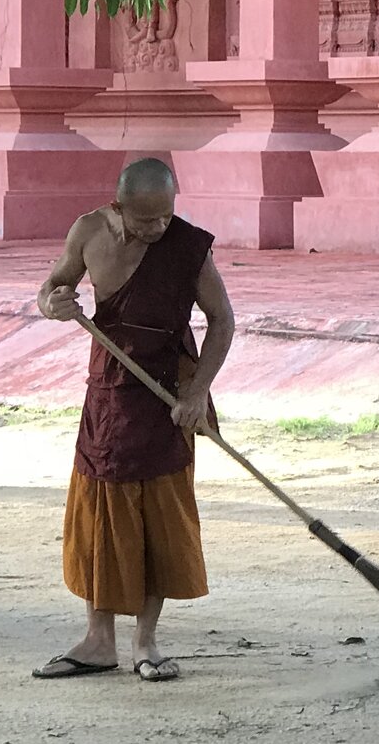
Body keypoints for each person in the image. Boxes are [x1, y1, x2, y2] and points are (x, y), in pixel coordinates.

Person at [32, 158, 235, 682]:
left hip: (168, 391)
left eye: (165, 217)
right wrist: (55, 303)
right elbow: (52, 288)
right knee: (101, 513)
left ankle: (146, 641)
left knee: (158, 519)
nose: (157, 230)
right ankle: (99, 640)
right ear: (120, 208)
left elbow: (222, 320)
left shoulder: (189, 247)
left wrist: (197, 391)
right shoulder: (88, 231)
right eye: (145, 221)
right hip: (109, 391)